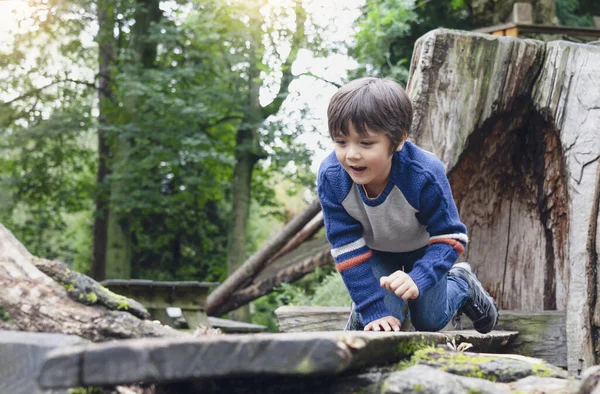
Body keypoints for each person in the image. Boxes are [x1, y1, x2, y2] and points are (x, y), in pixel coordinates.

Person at [317, 77, 498, 333]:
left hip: (423, 251)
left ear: (398, 140)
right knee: (384, 321)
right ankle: (362, 314)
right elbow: (346, 247)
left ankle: (462, 283)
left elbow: (451, 236)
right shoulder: (332, 177)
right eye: (341, 142)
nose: (351, 154)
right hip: (375, 252)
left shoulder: (422, 174)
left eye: (366, 143)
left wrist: (418, 278)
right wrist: (371, 309)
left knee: (430, 321)